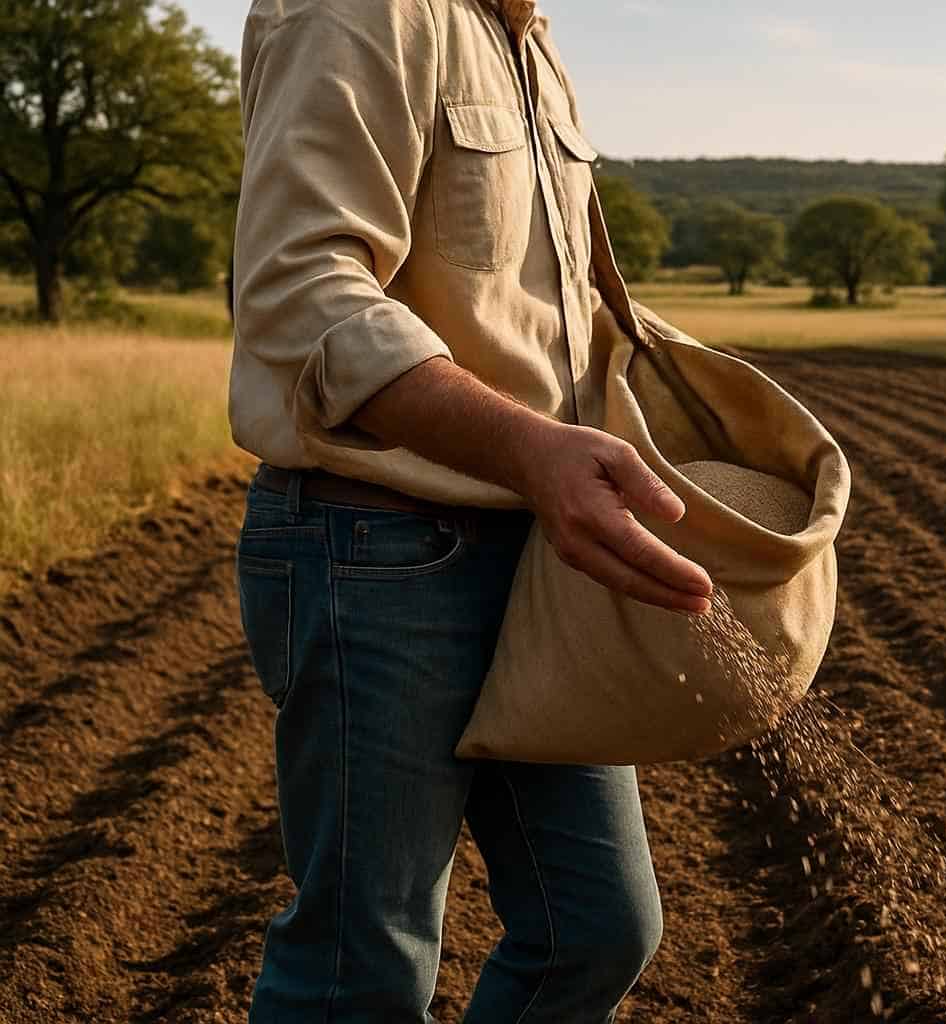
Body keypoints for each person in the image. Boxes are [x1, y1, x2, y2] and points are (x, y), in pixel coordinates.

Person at [229, 0, 713, 1019]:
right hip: (378, 545)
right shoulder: (361, 10)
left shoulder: (528, 40)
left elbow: (541, 310)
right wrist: (529, 448)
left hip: (539, 553)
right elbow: (297, 288)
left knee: (599, 926)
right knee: (360, 965)